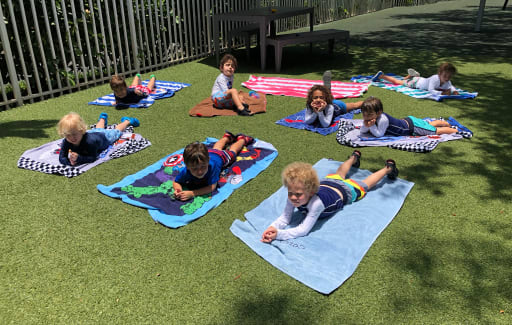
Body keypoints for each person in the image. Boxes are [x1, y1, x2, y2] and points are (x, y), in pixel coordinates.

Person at [261, 153, 399, 242]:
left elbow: (303, 230)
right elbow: (285, 218)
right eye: (290, 193)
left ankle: (388, 169)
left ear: (310, 192)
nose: (293, 197)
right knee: (340, 172)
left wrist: (278, 234)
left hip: (347, 191)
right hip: (328, 183)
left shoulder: (316, 204)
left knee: (367, 183)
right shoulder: (293, 195)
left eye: (298, 194)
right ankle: (353, 157)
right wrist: (272, 228)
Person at [172, 131, 254, 201]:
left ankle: (242, 139)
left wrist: (192, 193)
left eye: (203, 167)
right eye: (194, 169)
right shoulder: (187, 170)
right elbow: (176, 181)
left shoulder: (212, 167)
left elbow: (212, 187)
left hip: (221, 157)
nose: (200, 171)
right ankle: (227, 137)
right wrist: (178, 190)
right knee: (216, 148)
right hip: (211, 153)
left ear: (208, 161)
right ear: (187, 166)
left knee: (233, 151)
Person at [57, 112, 140, 166]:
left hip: (105, 137)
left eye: (74, 134)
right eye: (68, 135)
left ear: (81, 130)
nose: (72, 138)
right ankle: (102, 118)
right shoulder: (66, 141)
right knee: (98, 129)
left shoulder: (89, 142)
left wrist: (79, 159)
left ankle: (126, 121)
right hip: (95, 133)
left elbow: (93, 157)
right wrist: (69, 162)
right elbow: (62, 157)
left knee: (116, 131)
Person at [359, 96, 459, 137]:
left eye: (369, 114)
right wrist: (366, 124)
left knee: (436, 131)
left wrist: (371, 126)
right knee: (427, 125)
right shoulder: (372, 118)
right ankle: (446, 123)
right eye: (364, 114)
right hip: (408, 122)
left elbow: (379, 134)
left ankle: (457, 131)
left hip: (411, 126)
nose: (366, 117)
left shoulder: (383, 119)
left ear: (379, 112)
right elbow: (362, 131)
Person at [371, 63, 460, 96]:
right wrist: (443, 93)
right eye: (445, 76)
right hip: (416, 83)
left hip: (420, 80)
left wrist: (454, 91)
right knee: (397, 82)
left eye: (449, 76)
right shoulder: (434, 79)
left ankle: (412, 75)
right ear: (439, 74)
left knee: (403, 80)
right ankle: (381, 76)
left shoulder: (446, 81)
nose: (447, 78)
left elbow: (450, 86)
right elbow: (431, 90)